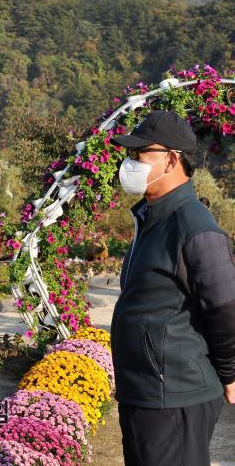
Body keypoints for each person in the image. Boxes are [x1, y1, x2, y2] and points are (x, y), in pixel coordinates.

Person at [109, 110, 235, 466]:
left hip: (175, 395)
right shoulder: (152, 218)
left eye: (141, 153)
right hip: (144, 392)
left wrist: (230, 371)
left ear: (172, 160)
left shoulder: (193, 225)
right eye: (130, 153)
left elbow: (225, 306)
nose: (131, 162)